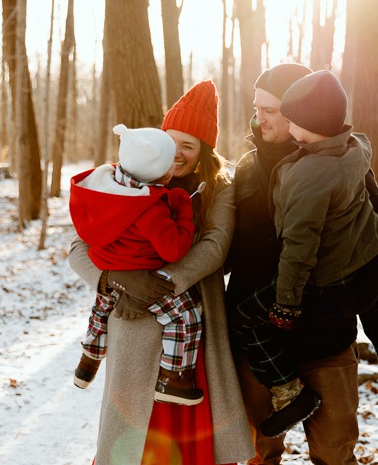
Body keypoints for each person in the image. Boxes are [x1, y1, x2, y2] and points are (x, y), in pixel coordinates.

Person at [226, 64, 378, 463]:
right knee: (258, 453)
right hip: (257, 345)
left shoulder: (340, 162)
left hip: (326, 343)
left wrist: (331, 303)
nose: (260, 117)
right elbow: (221, 250)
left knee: (335, 452)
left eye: (272, 110)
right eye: (257, 107)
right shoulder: (243, 171)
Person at [68, 81, 254, 465]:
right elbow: (78, 247)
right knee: (132, 436)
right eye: (173, 141)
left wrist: (164, 284)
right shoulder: (123, 177)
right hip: (129, 320)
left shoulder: (220, 187)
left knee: (186, 431)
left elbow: (215, 245)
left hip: (189, 327)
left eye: (190, 145)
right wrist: (113, 279)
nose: (178, 154)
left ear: (204, 150)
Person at [69, 123, 204, 405]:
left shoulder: (103, 187)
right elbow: (174, 249)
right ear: (165, 173)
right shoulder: (150, 207)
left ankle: (88, 362)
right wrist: (182, 211)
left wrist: (111, 277)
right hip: (145, 276)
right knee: (185, 317)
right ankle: (174, 378)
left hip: (108, 270)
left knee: (101, 308)